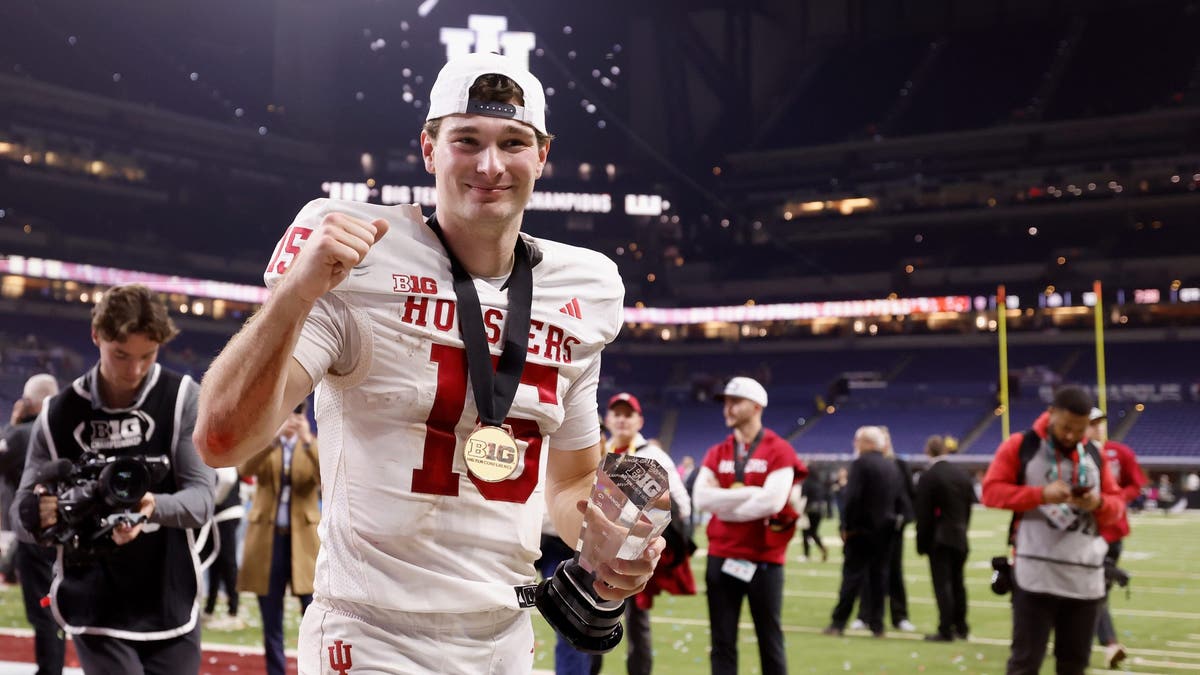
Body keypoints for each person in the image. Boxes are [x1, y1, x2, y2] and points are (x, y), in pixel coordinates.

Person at [194, 51, 665, 672]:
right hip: (368, 637)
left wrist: (606, 542)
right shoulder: (361, 255)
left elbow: (571, 481)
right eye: (466, 140)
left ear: (542, 155)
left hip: (504, 637)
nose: (490, 165)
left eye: (513, 143)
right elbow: (222, 439)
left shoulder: (585, 288)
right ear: (428, 148)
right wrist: (294, 295)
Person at [10, 284, 216, 674]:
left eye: (148, 355)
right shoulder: (57, 415)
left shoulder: (182, 397)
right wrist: (48, 512)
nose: (134, 371)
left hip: (167, 593)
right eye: (120, 355)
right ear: (96, 336)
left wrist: (150, 507)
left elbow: (202, 501)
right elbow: (22, 519)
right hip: (93, 595)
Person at [982, 386, 1123, 675]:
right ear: (1050, 415)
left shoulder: (1095, 454)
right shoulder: (1021, 445)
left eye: (1079, 430)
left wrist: (1098, 503)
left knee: (1074, 666)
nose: (1071, 435)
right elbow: (991, 493)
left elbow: (1117, 508)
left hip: (1085, 578)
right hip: (1035, 576)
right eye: (1065, 427)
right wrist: (1039, 495)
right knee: (1025, 664)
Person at [693, 376, 799, 675]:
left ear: (756, 407)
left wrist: (724, 503)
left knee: (770, 640)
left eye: (734, 401)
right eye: (725, 401)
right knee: (721, 641)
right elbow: (701, 497)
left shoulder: (779, 450)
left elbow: (773, 503)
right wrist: (752, 494)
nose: (727, 407)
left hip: (764, 560)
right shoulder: (718, 451)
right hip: (721, 555)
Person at [605, 392, 694, 675]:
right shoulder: (598, 451)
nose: (621, 419)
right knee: (588, 621)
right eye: (616, 414)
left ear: (639, 420)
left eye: (627, 414)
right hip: (598, 550)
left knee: (637, 625)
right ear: (608, 419)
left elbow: (683, 505)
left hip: (635, 553)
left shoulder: (653, 456)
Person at [238, 403, 320, 675]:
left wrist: (307, 441)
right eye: (287, 416)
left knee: (314, 612)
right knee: (270, 613)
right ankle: (276, 671)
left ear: (304, 417)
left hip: (303, 545)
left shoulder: (311, 445)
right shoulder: (266, 443)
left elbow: (325, 478)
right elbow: (244, 469)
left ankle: (316, 668)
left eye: (297, 415)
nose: (292, 421)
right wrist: (272, 440)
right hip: (268, 542)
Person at [1, 373, 65, 674]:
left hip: (32, 530)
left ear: (29, 401)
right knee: (59, 606)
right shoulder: (68, 428)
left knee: (41, 610)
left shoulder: (21, 433)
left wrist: (13, 424)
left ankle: (49, 670)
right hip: (67, 531)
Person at [823, 426, 904, 638]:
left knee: (852, 577)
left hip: (861, 531)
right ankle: (877, 625)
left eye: (857, 441)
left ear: (866, 443)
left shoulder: (860, 464)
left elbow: (852, 498)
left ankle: (838, 622)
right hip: (885, 531)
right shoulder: (891, 466)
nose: (855, 445)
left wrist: (846, 527)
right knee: (879, 578)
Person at [1087, 407, 1147, 669]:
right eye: (1092, 423)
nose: (1097, 427)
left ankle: (1106, 643)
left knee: (1096, 590)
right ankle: (1095, 641)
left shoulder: (1118, 452)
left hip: (1109, 532)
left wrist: (1116, 499)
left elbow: (1136, 483)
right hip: (1085, 532)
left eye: (1100, 422)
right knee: (1091, 591)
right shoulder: (1072, 454)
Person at [851, 428, 916, 633]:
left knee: (894, 572)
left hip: (892, 529)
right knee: (867, 573)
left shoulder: (898, 465)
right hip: (868, 529)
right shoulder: (864, 464)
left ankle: (899, 615)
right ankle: (865, 615)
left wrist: (902, 520)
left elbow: (908, 497)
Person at [913, 435, 975, 642]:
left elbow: (924, 514)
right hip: (959, 535)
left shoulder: (929, 476)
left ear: (927, 451)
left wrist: (922, 543)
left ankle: (945, 628)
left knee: (943, 584)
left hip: (939, 538)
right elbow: (968, 507)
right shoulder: (961, 474)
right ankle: (962, 626)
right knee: (959, 583)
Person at [201, 464, 246, 631]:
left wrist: (211, 501)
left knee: (227, 563)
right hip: (220, 515)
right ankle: (210, 608)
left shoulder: (224, 456)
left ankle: (233, 611)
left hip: (226, 513)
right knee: (216, 562)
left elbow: (227, 477)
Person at [799, 472, 828, 563]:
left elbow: (803, 497)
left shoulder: (807, 482)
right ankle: (822, 548)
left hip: (810, 510)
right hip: (820, 510)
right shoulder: (819, 483)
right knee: (813, 532)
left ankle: (806, 555)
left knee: (805, 532)